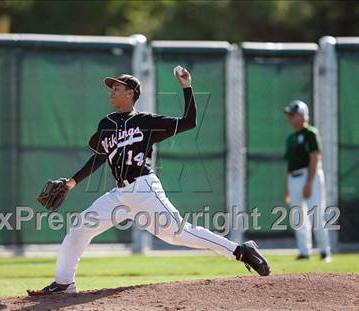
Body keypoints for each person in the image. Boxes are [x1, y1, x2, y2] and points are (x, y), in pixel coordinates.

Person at [27, 67, 270, 296]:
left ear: (131, 93)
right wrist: (71, 183)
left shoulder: (145, 121)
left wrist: (186, 87)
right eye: (111, 88)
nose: (111, 91)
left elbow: (189, 121)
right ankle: (63, 283)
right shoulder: (106, 124)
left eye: (117, 88)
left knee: (178, 233)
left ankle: (241, 251)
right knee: (80, 228)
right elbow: (100, 157)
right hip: (120, 195)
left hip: (144, 189)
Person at [283, 100, 331, 262]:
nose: (289, 118)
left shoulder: (311, 133)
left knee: (316, 214)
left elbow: (315, 158)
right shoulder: (290, 138)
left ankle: (325, 251)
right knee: (298, 217)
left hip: (310, 175)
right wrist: (287, 188)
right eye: (289, 115)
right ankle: (305, 252)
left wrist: (309, 183)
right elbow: (289, 165)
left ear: (302, 115)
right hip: (294, 177)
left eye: (292, 114)